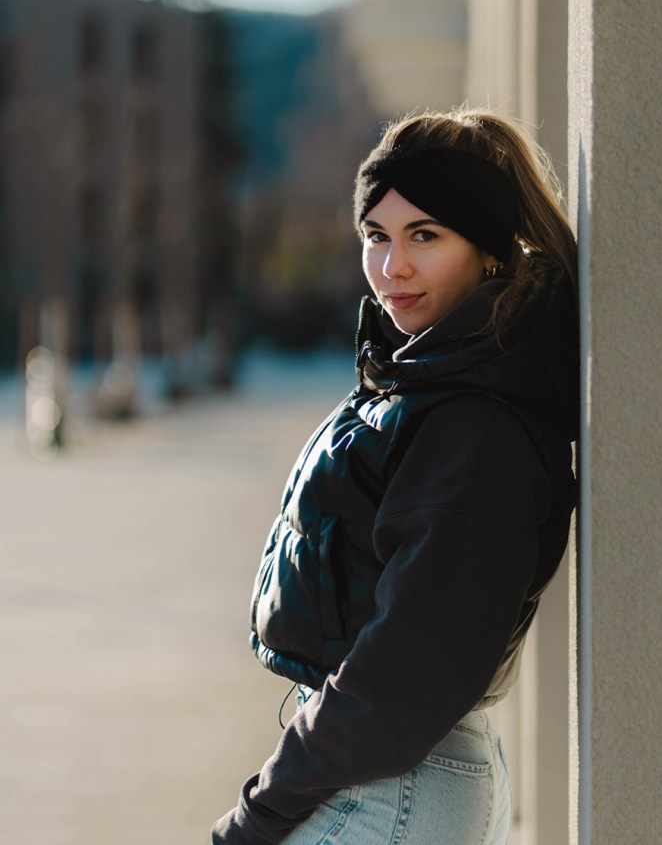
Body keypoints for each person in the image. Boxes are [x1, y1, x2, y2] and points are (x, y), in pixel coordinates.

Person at [212, 107, 579, 845]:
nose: (391, 267)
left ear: (489, 251)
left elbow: (403, 673)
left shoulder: (474, 425)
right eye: (376, 235)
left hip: (393, 787)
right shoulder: (429, 384)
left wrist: (261, 810)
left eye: (425, 235)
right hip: (389, 777)